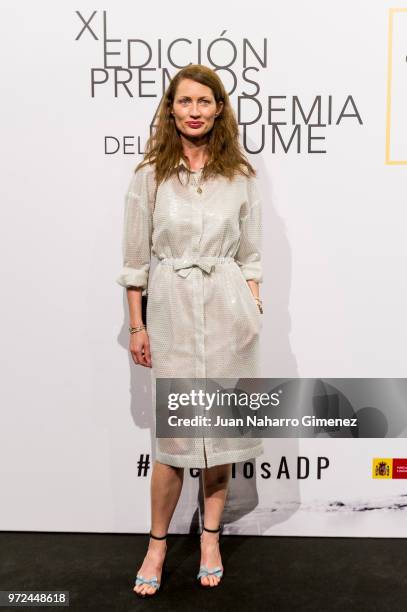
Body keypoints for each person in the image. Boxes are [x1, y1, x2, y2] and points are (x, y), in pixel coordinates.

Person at [116, 64, 264, 597]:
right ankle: (157, 544)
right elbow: (135, 261)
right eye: (185, 102)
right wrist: (137, 325)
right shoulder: (148, 175)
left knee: (219, 438)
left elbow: (251, 256)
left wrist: (253, 309)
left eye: (204, 101)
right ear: (171, 108)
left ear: (219, 108)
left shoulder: (240, 176)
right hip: (173, 314)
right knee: (174, 441)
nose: (195, 111)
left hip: (229, 319)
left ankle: (209, 537)